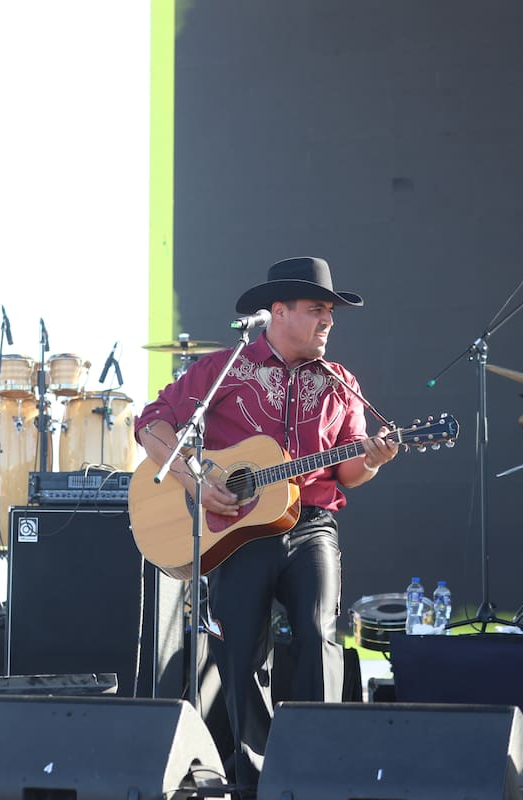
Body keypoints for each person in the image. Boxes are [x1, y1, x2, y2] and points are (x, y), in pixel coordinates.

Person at [134, 257, 398, 793]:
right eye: (317, 309)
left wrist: (375, 457)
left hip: (312, 524)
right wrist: (194, 480)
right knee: (241, 650)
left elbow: (348, 472)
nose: (329, 320)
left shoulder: (342, 383)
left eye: (330, 312)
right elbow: (152, 424)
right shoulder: (222, 370)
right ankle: (254, 774)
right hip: (235, 530)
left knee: (320, 633)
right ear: (278, 312)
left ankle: (313, 766)